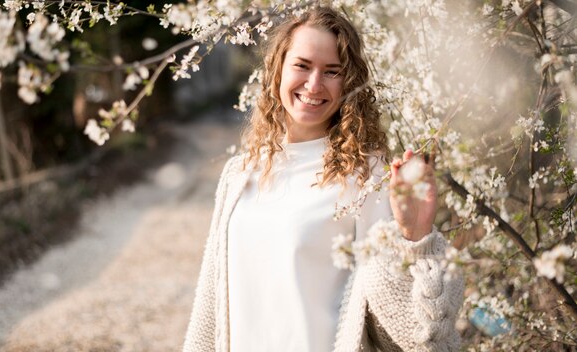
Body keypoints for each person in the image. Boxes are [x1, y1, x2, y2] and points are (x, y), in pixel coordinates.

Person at [183, 6, 464, 352]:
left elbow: (412, 336)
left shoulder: (367, 178)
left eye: (332, 71)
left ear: (349, 84)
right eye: (302, 65)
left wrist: (414, 238)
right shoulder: (239, 174)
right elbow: (210, 307)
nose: (314, 84)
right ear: (277, 70)